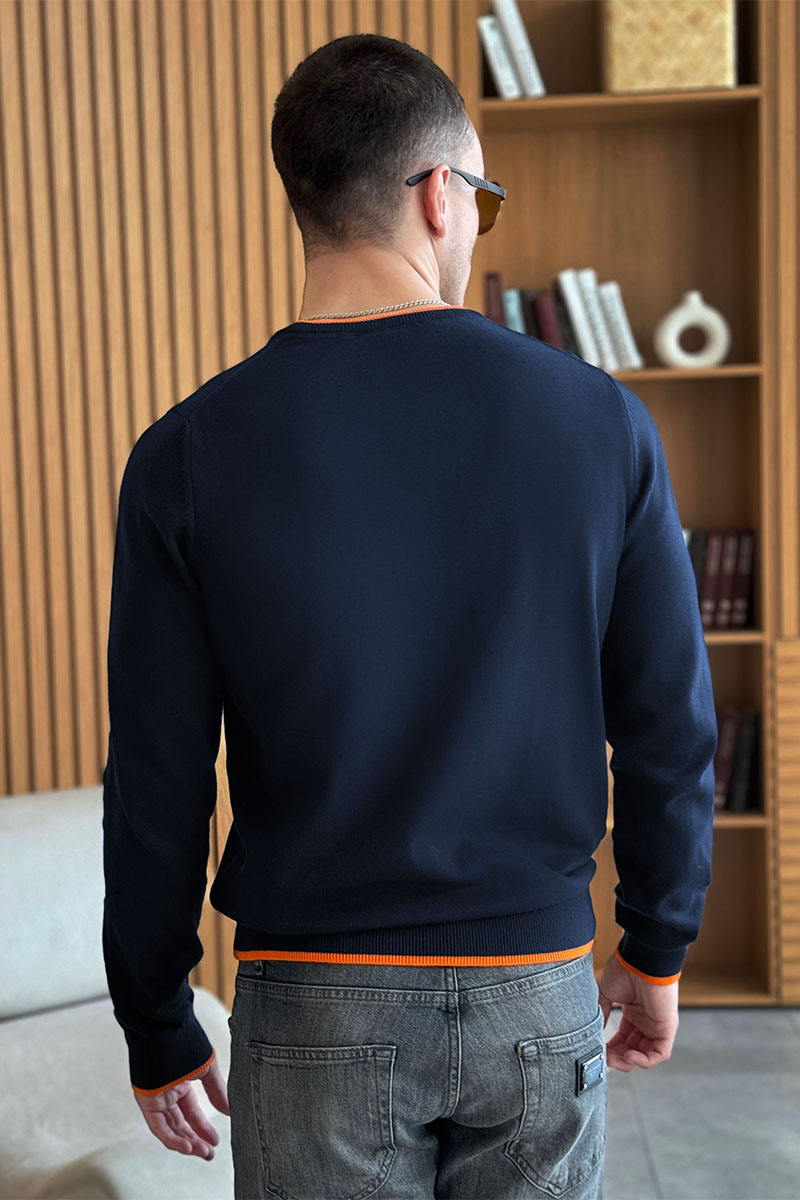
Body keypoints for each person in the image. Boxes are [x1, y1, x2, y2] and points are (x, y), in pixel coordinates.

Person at [101, 31, 718, 1200]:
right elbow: (666, 726)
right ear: (441, 194)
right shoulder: (597, 422)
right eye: (481, 200)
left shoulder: (188, 454)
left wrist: (154, 1014)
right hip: (535, 979)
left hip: (311, 996)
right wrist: (655, 945)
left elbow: (156, 774)